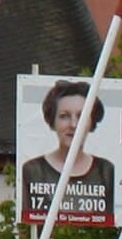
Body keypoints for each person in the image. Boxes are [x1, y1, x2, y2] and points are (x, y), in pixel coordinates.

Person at [23, 81, 116, 228]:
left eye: (82, 116)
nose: (73, 124)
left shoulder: (106, 170)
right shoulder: (33, 170)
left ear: (92, 123)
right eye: (64, 116)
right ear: (52, 121)